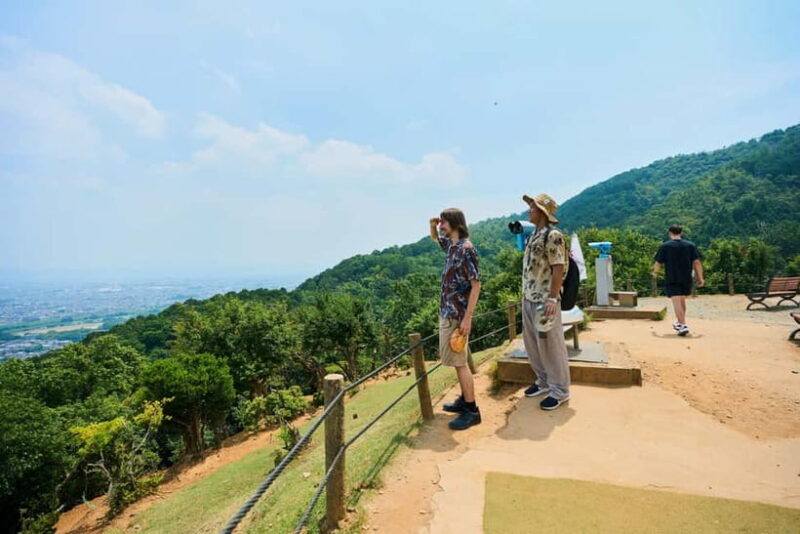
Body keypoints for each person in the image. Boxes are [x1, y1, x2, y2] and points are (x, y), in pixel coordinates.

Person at [429, 209, 482, 430]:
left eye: (444, 223)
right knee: (457, 361)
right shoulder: (452, 247)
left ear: (455, 224)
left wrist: (467, 318)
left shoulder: (466, 250)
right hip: (448, 312)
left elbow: (476, 284)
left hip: (457, 314)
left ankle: (472, 410)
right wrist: (432, 225)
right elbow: (435, 239)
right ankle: (464, 400)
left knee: (460, 363)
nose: (441, 226)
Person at [520, 194, 571, 410]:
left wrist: (552, 297)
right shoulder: (534, 235)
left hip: (544, 299)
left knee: (550, 345)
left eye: (532, 207)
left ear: (542, 211)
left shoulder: (553, 235)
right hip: (529, 297)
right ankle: (542, 381)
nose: (529, 210)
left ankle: (560, 390)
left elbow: (558, 267)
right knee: (533, 343)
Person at [652, 225, 704, 336]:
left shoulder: (665, 246)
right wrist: (700, 277)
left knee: (676, 301)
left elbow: (658, 262)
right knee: (681, 300)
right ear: (681, 232)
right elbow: (697, 262)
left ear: (669, 232)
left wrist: (655, 273)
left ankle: (683, 325)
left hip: (672, 277)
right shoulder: (690, 246)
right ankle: (680, 324)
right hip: (687, 278)